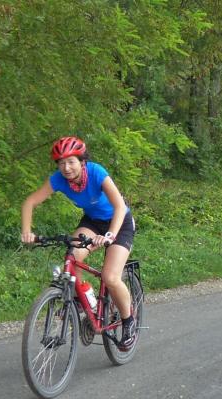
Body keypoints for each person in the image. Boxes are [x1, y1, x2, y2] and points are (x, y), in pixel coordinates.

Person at [21, 136, 137, 350]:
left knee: (110, 277)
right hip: (92, 222)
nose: (66, 168)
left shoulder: (96, 172)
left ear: (82, 161)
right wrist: (27, 231)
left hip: (119, 223)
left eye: (71, 162)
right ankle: (84, 301)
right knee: (72, 259)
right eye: (61, 163)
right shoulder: (59, 179)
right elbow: (30, 201)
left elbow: (120, 207)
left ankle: (129, 321)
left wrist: (110, 235)